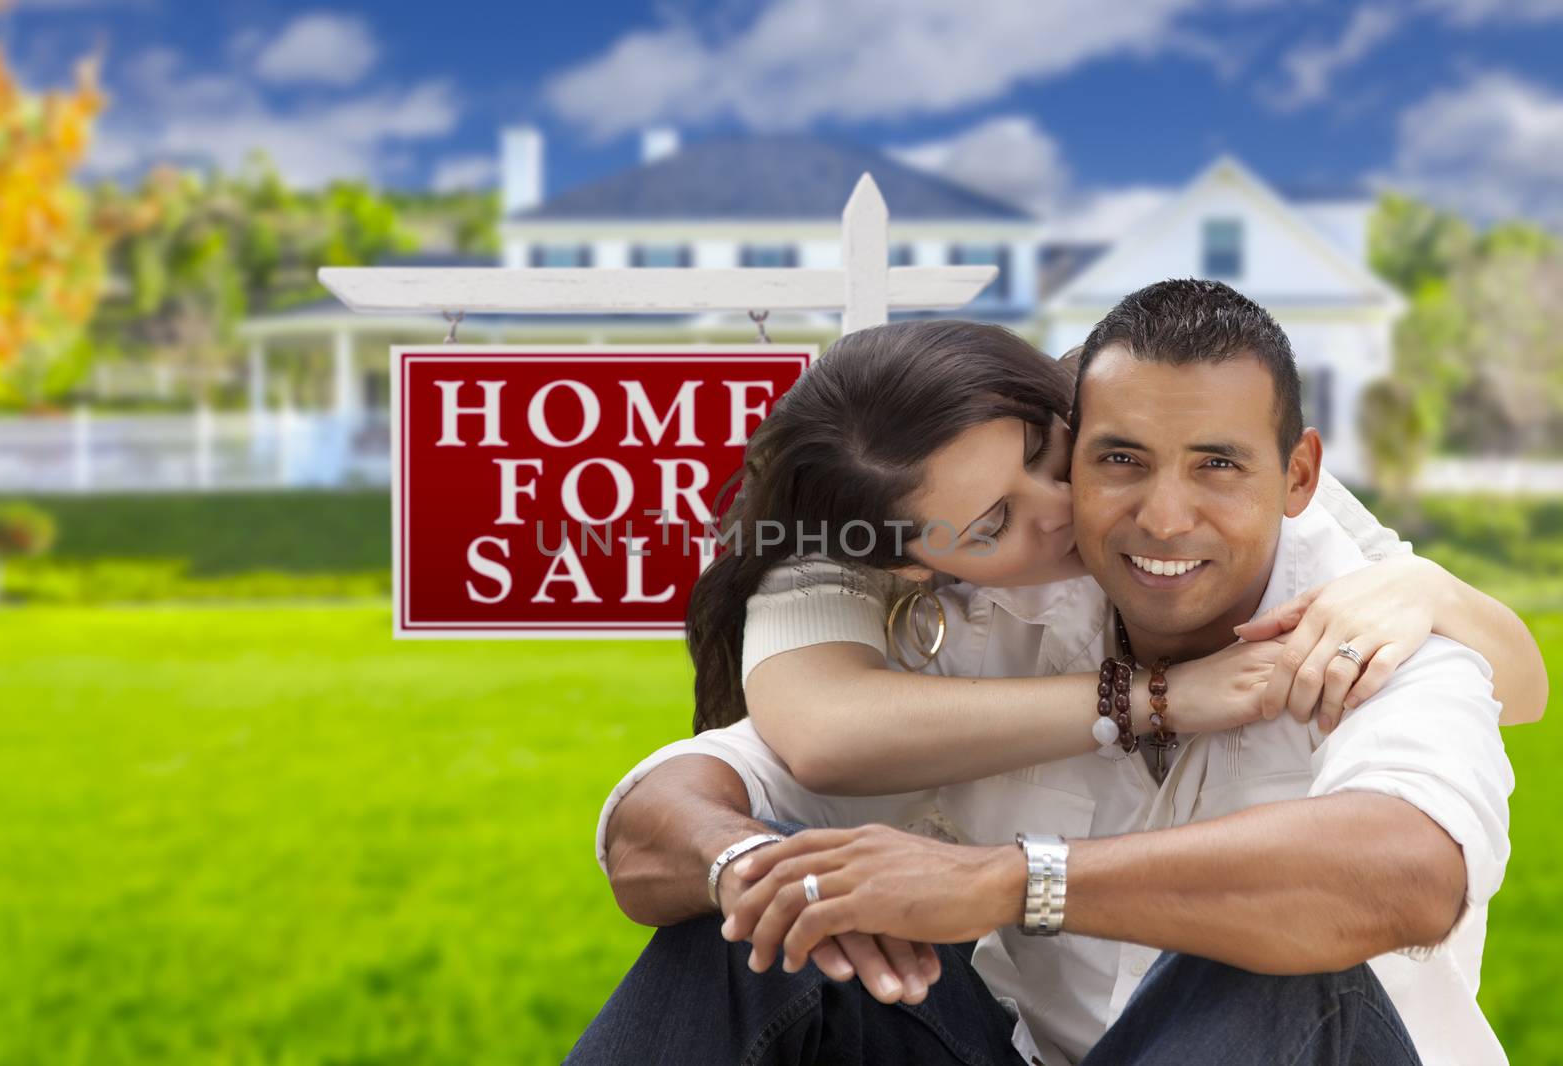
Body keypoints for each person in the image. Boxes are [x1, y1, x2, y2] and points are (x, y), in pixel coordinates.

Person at [572, 281, 1525, 1065]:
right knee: (755, 926)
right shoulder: (978, 619)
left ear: (1298, 476)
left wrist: (1011, 881)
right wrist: (749, 867)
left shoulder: (1372, 620)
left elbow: (1406, 872)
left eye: (1220, 467)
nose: (1160, 517)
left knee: (1285, 940)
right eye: (1116, 460)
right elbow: (670, 814)